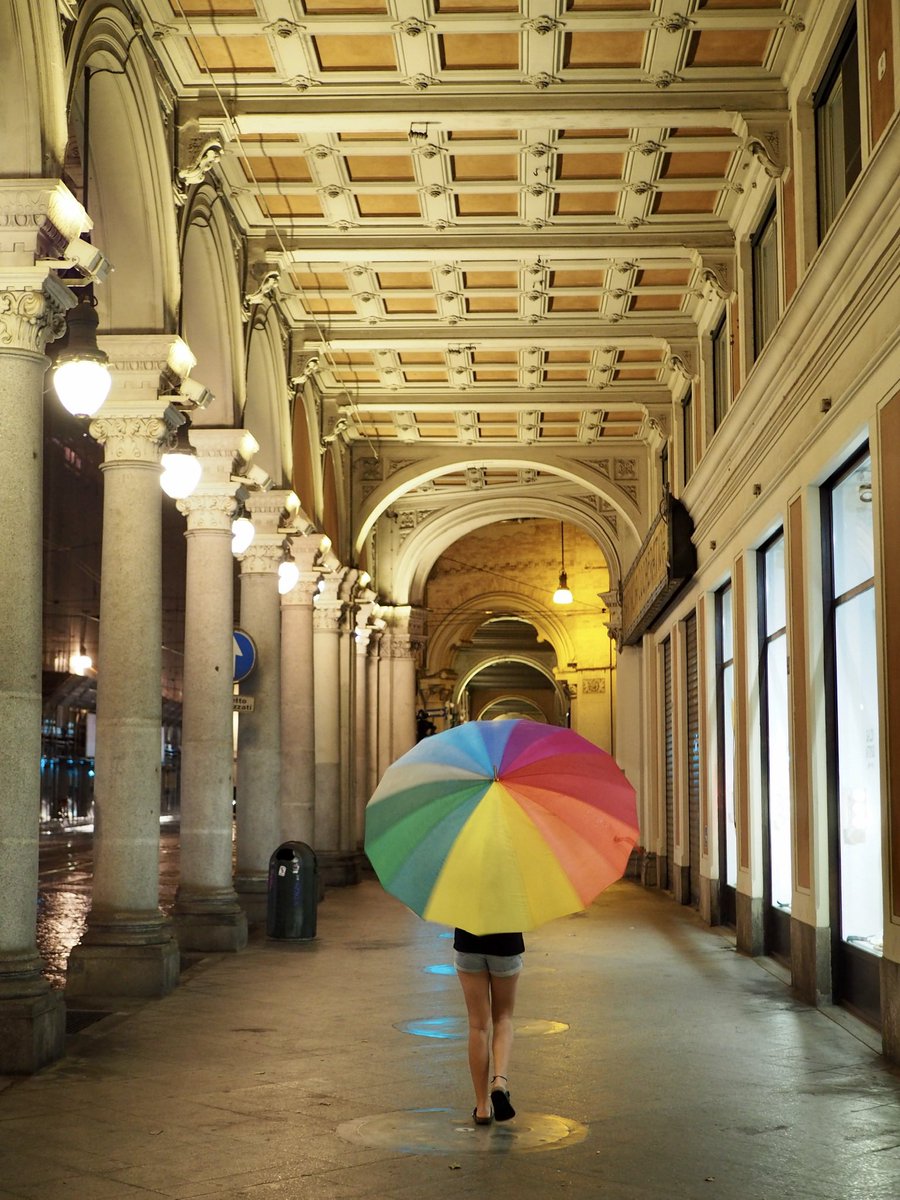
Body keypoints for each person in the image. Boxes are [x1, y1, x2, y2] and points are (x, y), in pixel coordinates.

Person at [453, 927, 524, 1125]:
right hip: (506, 943)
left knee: (478, 1026)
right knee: (503, 1018)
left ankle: (483, 1107)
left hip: (468, 943)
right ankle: (500, 1081)